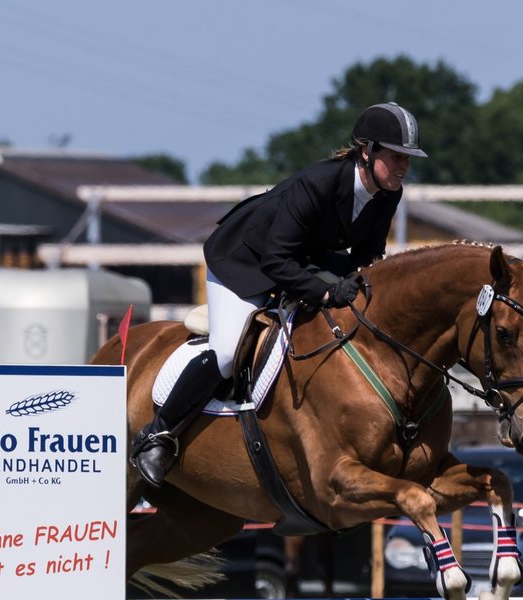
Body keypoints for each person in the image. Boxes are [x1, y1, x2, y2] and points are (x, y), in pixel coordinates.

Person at [130, 102, 428, 487]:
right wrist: (324, 292)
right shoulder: (317, 183)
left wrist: (362, 283)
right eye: (395, 156)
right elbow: (276, 259)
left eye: (407, 158)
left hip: (302, 262)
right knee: (225, 352)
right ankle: (157, 436)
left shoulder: (389, 192)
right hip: (245, 262)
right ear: (367, 150)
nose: (403, 166)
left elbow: (367, 253)